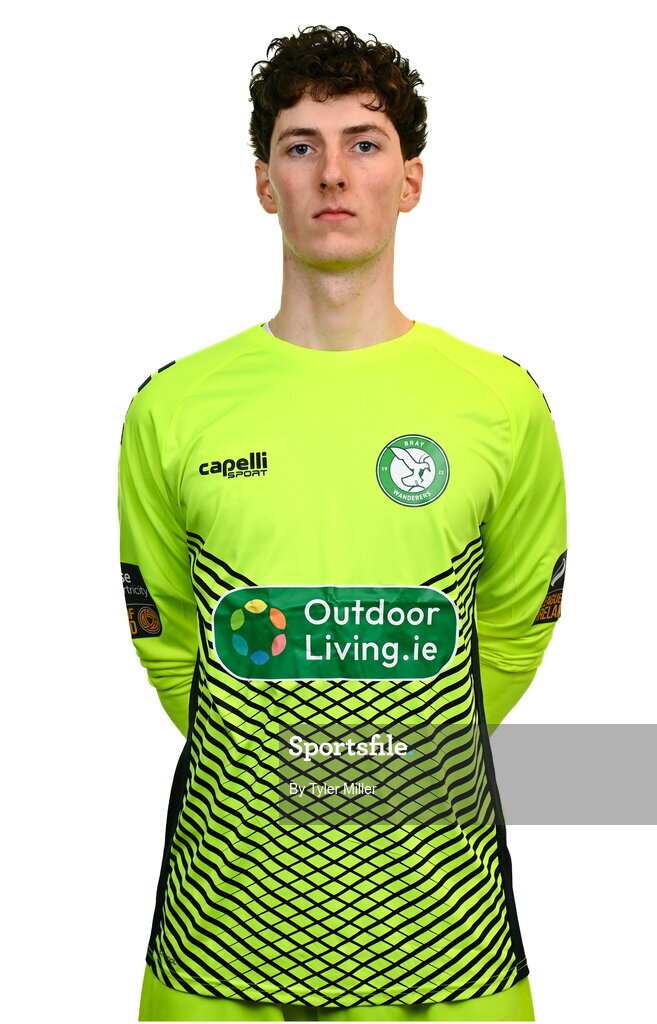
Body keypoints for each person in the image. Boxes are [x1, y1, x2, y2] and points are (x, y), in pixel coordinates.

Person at [118, 24, 567, 1023]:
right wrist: (286, 756)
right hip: (220, 951)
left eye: (364, 143)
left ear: (409, 182)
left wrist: (383, 757)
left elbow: (513, 627)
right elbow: (168, 639)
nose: (332, 172)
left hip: (448, 958)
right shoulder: (171, 408)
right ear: (263, 183)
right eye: (300, 145)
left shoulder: (501, 403)